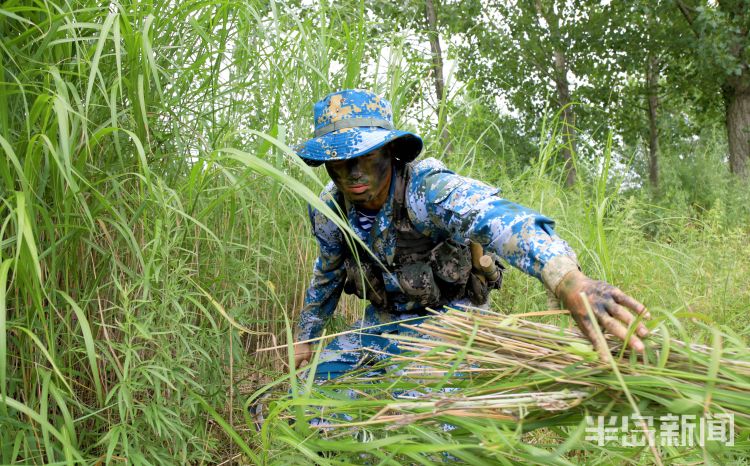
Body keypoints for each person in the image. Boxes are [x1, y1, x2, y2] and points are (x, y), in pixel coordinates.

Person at [292, 89, 650, 380]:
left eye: (365, 156)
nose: (354, 172)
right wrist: (304, 339)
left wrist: (568, 280)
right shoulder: (329, 210)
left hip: (451, 317)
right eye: (339, 158)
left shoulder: (427, 190)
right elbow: (328, 273)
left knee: (418, 409)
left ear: (389, 151)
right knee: (310, 395)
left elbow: (499, 220)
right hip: (386, 321)